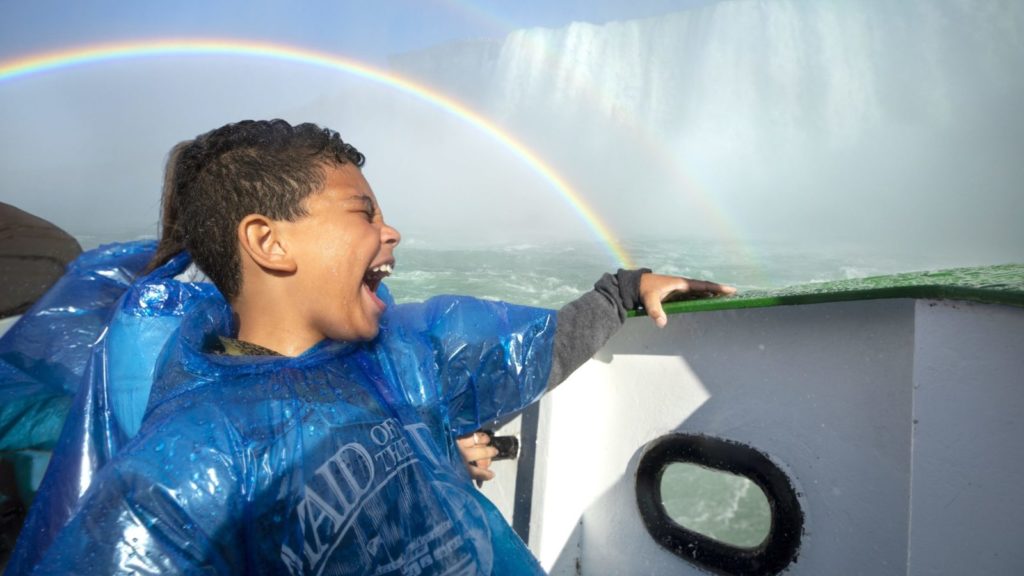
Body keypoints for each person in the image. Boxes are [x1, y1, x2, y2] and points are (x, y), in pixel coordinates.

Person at [30, 119, 733, 575]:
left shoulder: (397, 355)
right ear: (268, 243)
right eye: (364, 212)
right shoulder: (193, 460)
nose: (393, 233)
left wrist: (621, 289)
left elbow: (531, 353)